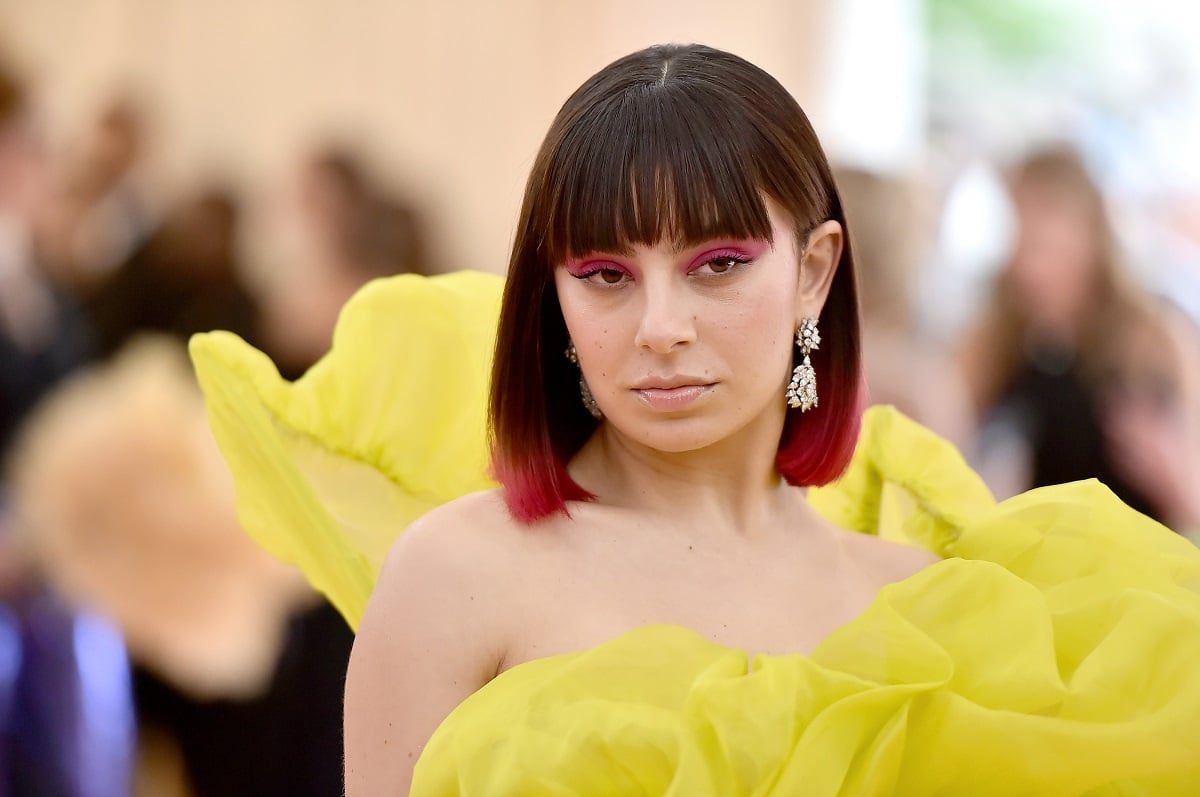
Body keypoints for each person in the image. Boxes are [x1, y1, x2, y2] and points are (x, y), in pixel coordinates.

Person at [190, 45, 1200, 795]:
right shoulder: (455, 577)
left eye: (717, 264)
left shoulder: (918, 597)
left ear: (814, 272)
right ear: (555, 296)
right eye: (605, 274)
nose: (660, 327)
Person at [959, 146, 1200, 531]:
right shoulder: (997, 339)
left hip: (1138, 553)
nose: (1025, 265)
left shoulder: (1154, 338)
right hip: (1036, 554)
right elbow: (947, 432)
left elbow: (1190, 499)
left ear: (1090, 236)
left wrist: (1166, 474)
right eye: (1018, 239)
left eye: (1041, 244)